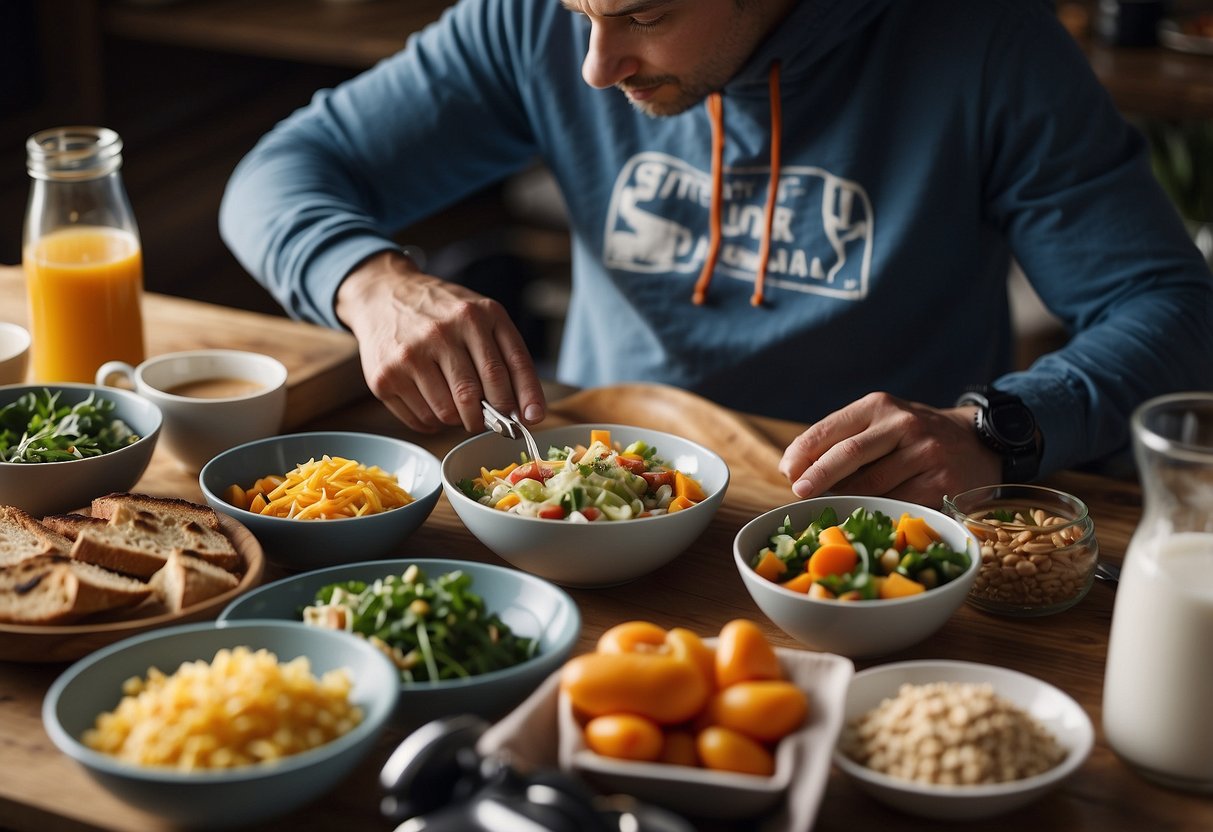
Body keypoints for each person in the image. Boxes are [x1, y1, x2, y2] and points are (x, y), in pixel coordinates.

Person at [220, 0, 1213, 506]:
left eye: (644, 14)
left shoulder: (988, 43)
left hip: (859, 525)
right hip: (588, 486)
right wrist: (369, 281)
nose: (596, 68)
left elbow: (1171, 310)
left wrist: (997, 431)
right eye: (583, 12)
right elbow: (280, 172)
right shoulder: (535, 19)